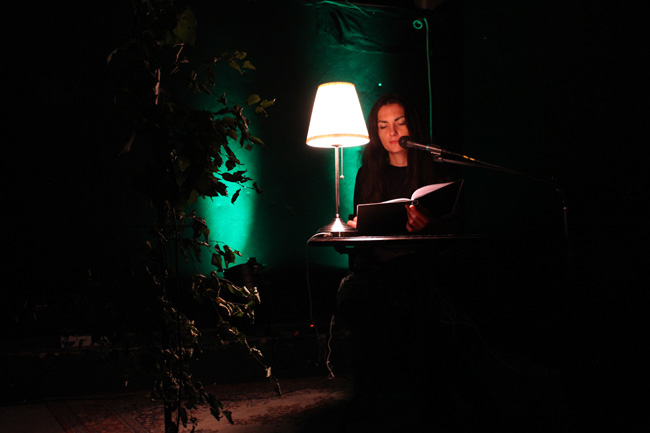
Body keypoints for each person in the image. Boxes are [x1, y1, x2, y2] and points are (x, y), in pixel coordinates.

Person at [336, 94, 464, 428]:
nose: (392, 133)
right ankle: (375, 405)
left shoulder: (436, 169)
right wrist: (358, 226)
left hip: (423, 267)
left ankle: (427, 405)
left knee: (415, 296)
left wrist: (430, 226)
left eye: (400, 123)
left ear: (413, 127)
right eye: (383, 125)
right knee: (367, 299)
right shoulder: (368, 173)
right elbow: (361, 232)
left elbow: (457, 227)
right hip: (381, 269)